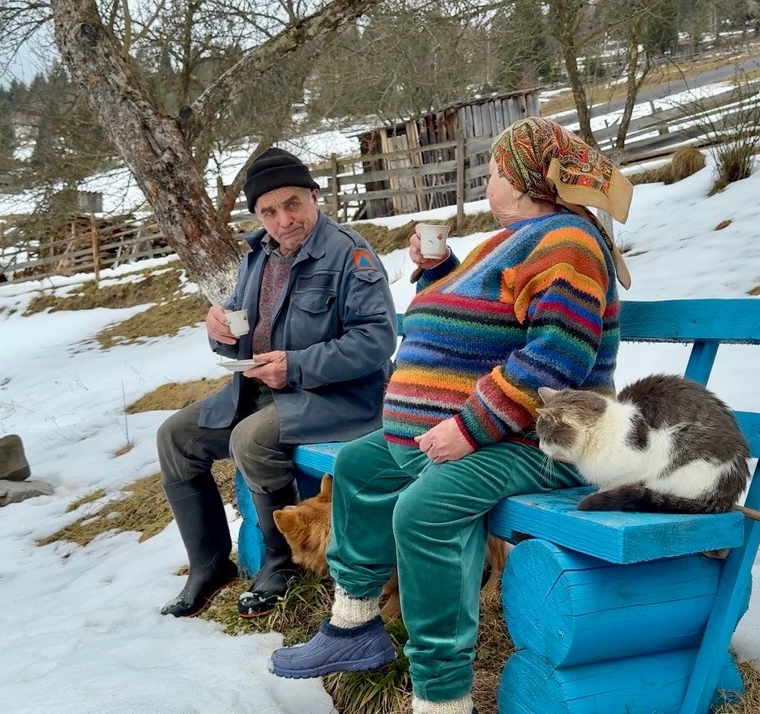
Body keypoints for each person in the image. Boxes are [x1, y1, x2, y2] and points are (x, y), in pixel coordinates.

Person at [270, 118, 634, 714]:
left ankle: (441, 695)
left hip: (547, 441)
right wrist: (442, 273)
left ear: (524, 181)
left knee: (425, 510)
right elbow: (487, 314)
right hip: (487, 432)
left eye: (493, 172)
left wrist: (469, 428)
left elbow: (558, 355)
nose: (487, 183)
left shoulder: (567, 242)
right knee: (360, 467)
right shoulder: (526, 237)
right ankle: (354, 627)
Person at [155, 147, 398, 619]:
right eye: (269, 211)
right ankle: (208, 566)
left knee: (251, 438)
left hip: (341, 397)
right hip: (266, 391)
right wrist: (219, 332)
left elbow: (376, 341)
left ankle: (282, 563)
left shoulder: (350, 253)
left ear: (314, 195)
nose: (284, 220)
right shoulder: (257, 257)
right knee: (175, 437)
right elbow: (239, 332)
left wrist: (296, 366)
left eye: (293, 204)